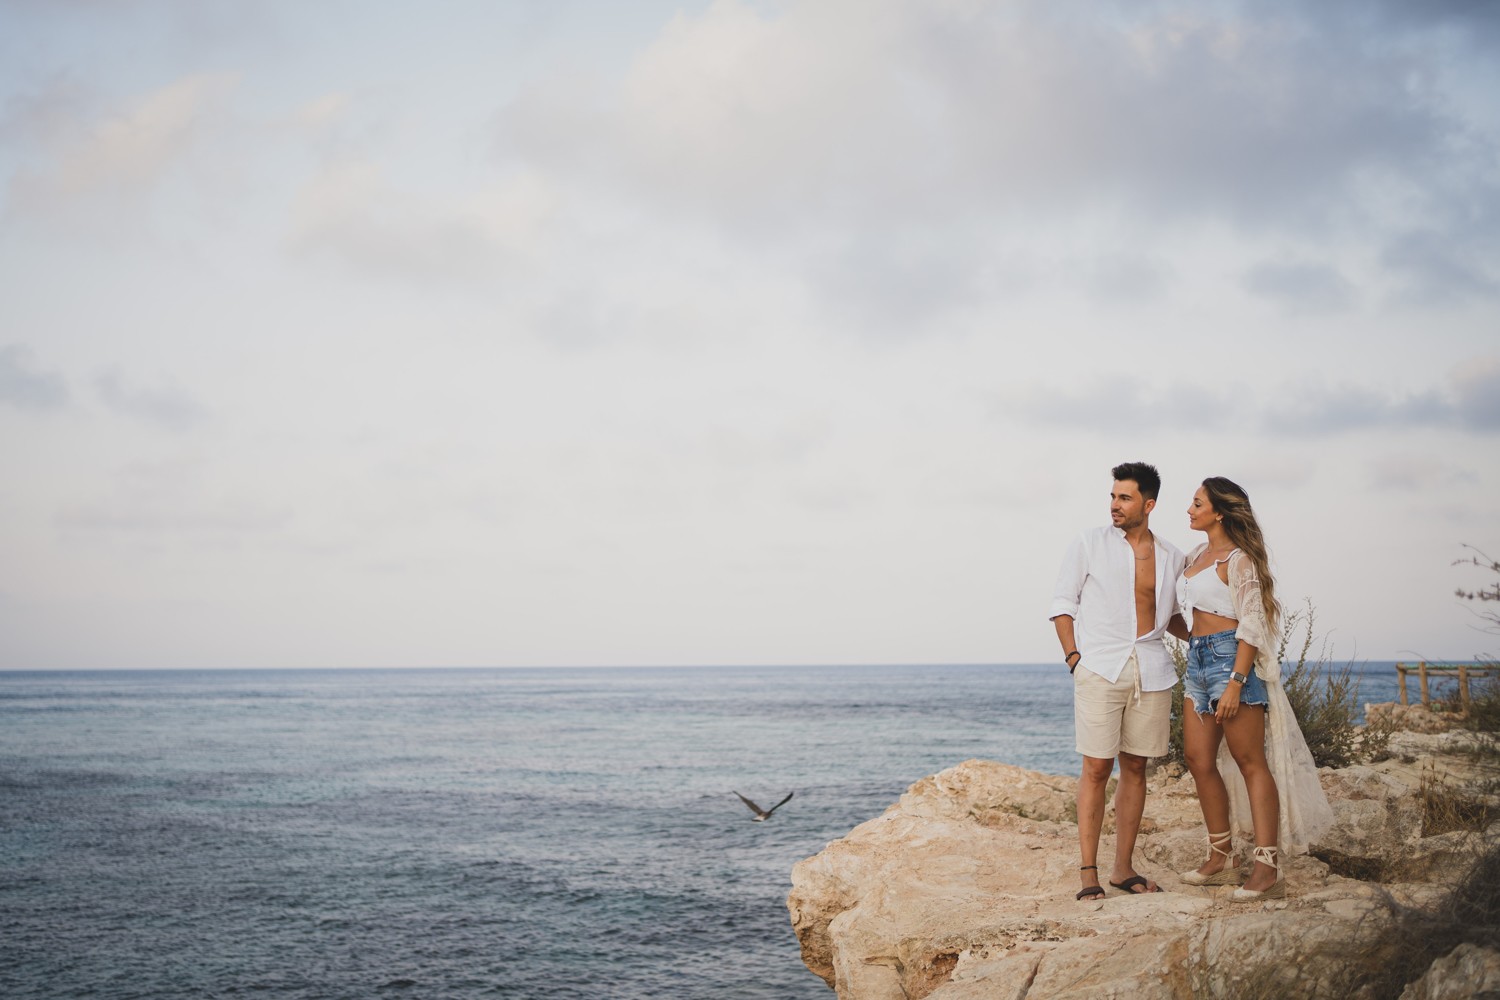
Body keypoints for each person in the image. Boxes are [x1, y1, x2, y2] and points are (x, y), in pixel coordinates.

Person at [1175, 477, 1334, 900]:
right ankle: (1221, 856)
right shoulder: (1194, 555)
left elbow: (1252, 624)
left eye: (1196, 503)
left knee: (1250, 761)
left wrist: (1236, 682)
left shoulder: (1239, 560)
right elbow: (1189, 616)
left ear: (1219, 512)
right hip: (1198, 659)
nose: (1189, 510)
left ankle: (1267, 868)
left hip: (1232, 659)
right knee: (1198, 757)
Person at [1050, 462, 1189, 900]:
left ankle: (1122, 868)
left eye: (1124, 498)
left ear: (1148, 504)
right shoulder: (1089, 543)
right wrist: (1075, 657)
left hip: (1151, 669)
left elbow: (1172, 619)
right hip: (1100, 666)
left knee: (1136, 768)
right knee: (1095, 768)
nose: (1114, 505)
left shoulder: (1171, 555)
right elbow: (1061, 603)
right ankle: (1088, 871)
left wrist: (1222, 636)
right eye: (1112, 496)